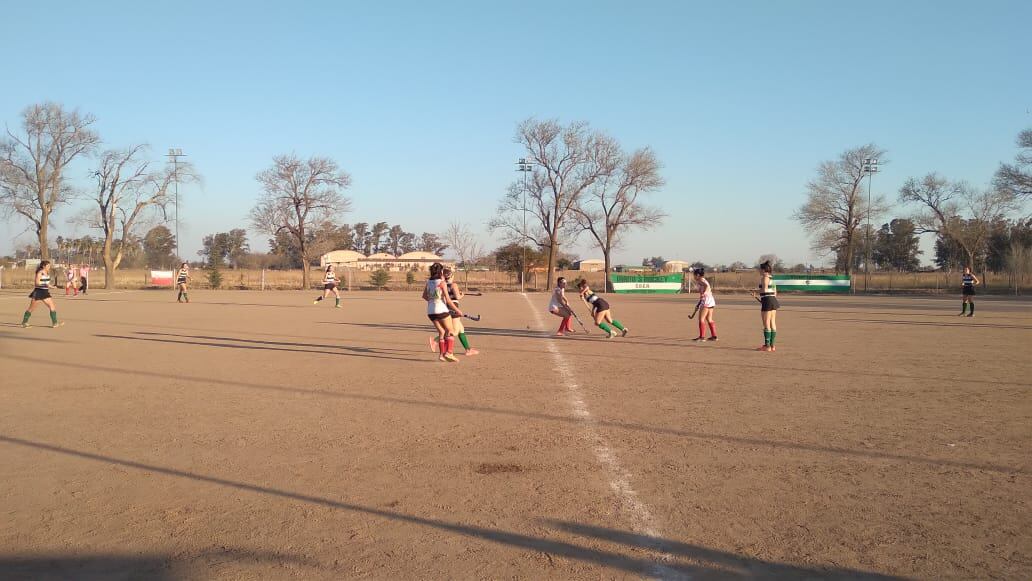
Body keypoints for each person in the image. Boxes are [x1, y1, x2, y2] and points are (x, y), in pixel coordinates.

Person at [423, 262, 463, 363]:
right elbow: (448, 300)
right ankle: (449, 353)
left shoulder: (428, 282)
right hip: (441, 309)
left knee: (441, 332)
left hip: (430, 311)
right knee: (450, 330)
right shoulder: (442, 283)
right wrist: (458, 310)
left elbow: (425, 296)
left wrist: (433, 300)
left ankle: (441, 355)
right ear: (441, 271)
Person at [444, 267, 479, 356]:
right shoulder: (454, 285)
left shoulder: (443, 284)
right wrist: (462, 295)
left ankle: (468, 350)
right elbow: (458, 297)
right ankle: (436, 341)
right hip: (454, 306)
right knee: (454, 332)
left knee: (461, 329)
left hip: (447, 306)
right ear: (452, 276)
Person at [21, 260, 63, 328]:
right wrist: (45, 285)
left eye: (49, 265)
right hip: (38, 292)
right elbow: (37, 283)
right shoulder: (40, 273)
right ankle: (24, 322)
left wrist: (52, 286)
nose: (49, 267)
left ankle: (55, 323)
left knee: (52, 307)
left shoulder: (47, 273)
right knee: (31, 309)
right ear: (43, 266)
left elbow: (47, 283)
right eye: (48, 266)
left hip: (45, 293)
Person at [751, 260, 779, 351]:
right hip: (773, 301)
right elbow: (774, 293)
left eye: (760, 269)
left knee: (766, 323)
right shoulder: (772, 278)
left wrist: (755, 291)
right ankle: (772, 345)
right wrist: (757, 296)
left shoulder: (765, 278)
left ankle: (767, 346)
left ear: (763, 270)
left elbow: (764, 290)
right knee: (772, 323)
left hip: (768, 301)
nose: (759, 271)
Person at [692, 268, 718, 341]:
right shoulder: (702, 280)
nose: (693, 277)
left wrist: (703, 293)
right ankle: (714, 336)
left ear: (697, 275)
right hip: (710, 300)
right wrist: (698, 304)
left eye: (694, 275)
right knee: (709, 319)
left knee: (701, 319)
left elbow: (706, 286)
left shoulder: (700, 281)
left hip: (706, 300)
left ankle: (702, 337)